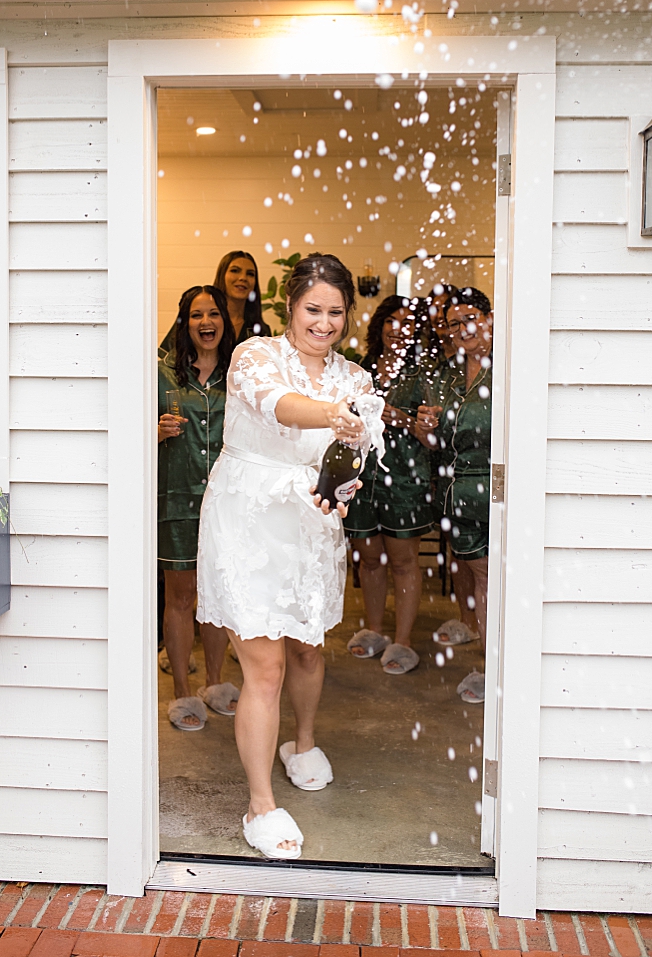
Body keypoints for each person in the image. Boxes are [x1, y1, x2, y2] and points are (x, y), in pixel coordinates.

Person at [196, 253, 385, 860]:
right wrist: (336, 417)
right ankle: (259, 803)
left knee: (308, 646)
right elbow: (278, 406)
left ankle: (301, 743)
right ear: (290, 308)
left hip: (311, 519)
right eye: (313, 310)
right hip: (249, 517)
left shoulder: (355, 378)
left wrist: (347, 485)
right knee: (266, 665)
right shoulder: (252, 356)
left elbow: (355, 457)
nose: (324, 323)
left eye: (335, 313)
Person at [343, 296, 440, 675]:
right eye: (391, 321)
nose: (397, 329)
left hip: (405, 480)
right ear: (379, 325)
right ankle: (374, 631)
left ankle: (403, 640)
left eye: (407, 323)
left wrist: (396, 417)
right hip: (362, 478)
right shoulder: (360, 370)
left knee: (402, 562)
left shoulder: (424, 375)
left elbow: (430, 437)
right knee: (369, 560)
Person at [157, 286, 239, 731]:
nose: (205, 322)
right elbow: (128, 434)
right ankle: (183, 694)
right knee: (181, 596)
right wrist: (155, 431)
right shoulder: (161, 374)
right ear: (184, 322)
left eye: (213, 314)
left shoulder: (240, 376)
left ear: (224, 321)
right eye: (195, 315)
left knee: (217, 598)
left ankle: (215, 683)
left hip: (228, 504)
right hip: (178, 500)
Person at [422, 288, 495, 704]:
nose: (461, 329)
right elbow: (436, 443)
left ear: (488, 318)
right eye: (452, 323)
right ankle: (489, 665)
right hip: (458, 493)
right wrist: (426, 427)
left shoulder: (507, 366)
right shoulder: (446, 375)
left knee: (501, 579)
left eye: (469, 318)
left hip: (498, 486)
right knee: (481, 579)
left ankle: (508, 666)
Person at [213, 250, 272, 342]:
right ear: (222, 276)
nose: (243, 278)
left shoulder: (261, 331)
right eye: (235, 271)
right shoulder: (207, 323)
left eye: (250, 274)